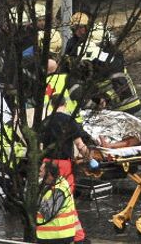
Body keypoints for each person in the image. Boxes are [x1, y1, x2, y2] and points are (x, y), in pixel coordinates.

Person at [41, 94, 97, 243]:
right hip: (64, 164)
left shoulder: (45, 122)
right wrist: (90, 160)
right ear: (65, 104)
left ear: (52, 105)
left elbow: (40, 146)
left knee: (48, 198)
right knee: (67, 200)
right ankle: (78, 237)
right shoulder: (69, 121)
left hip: (47, 163)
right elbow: (80, 145)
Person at [36, 161, 77, 244]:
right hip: (53, 236)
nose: (39, 174)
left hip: (57, 237)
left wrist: (38, 198)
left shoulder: (59, 190)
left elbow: (48, 213)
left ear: (49, 174)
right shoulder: (51, 185)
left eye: (41, 172)